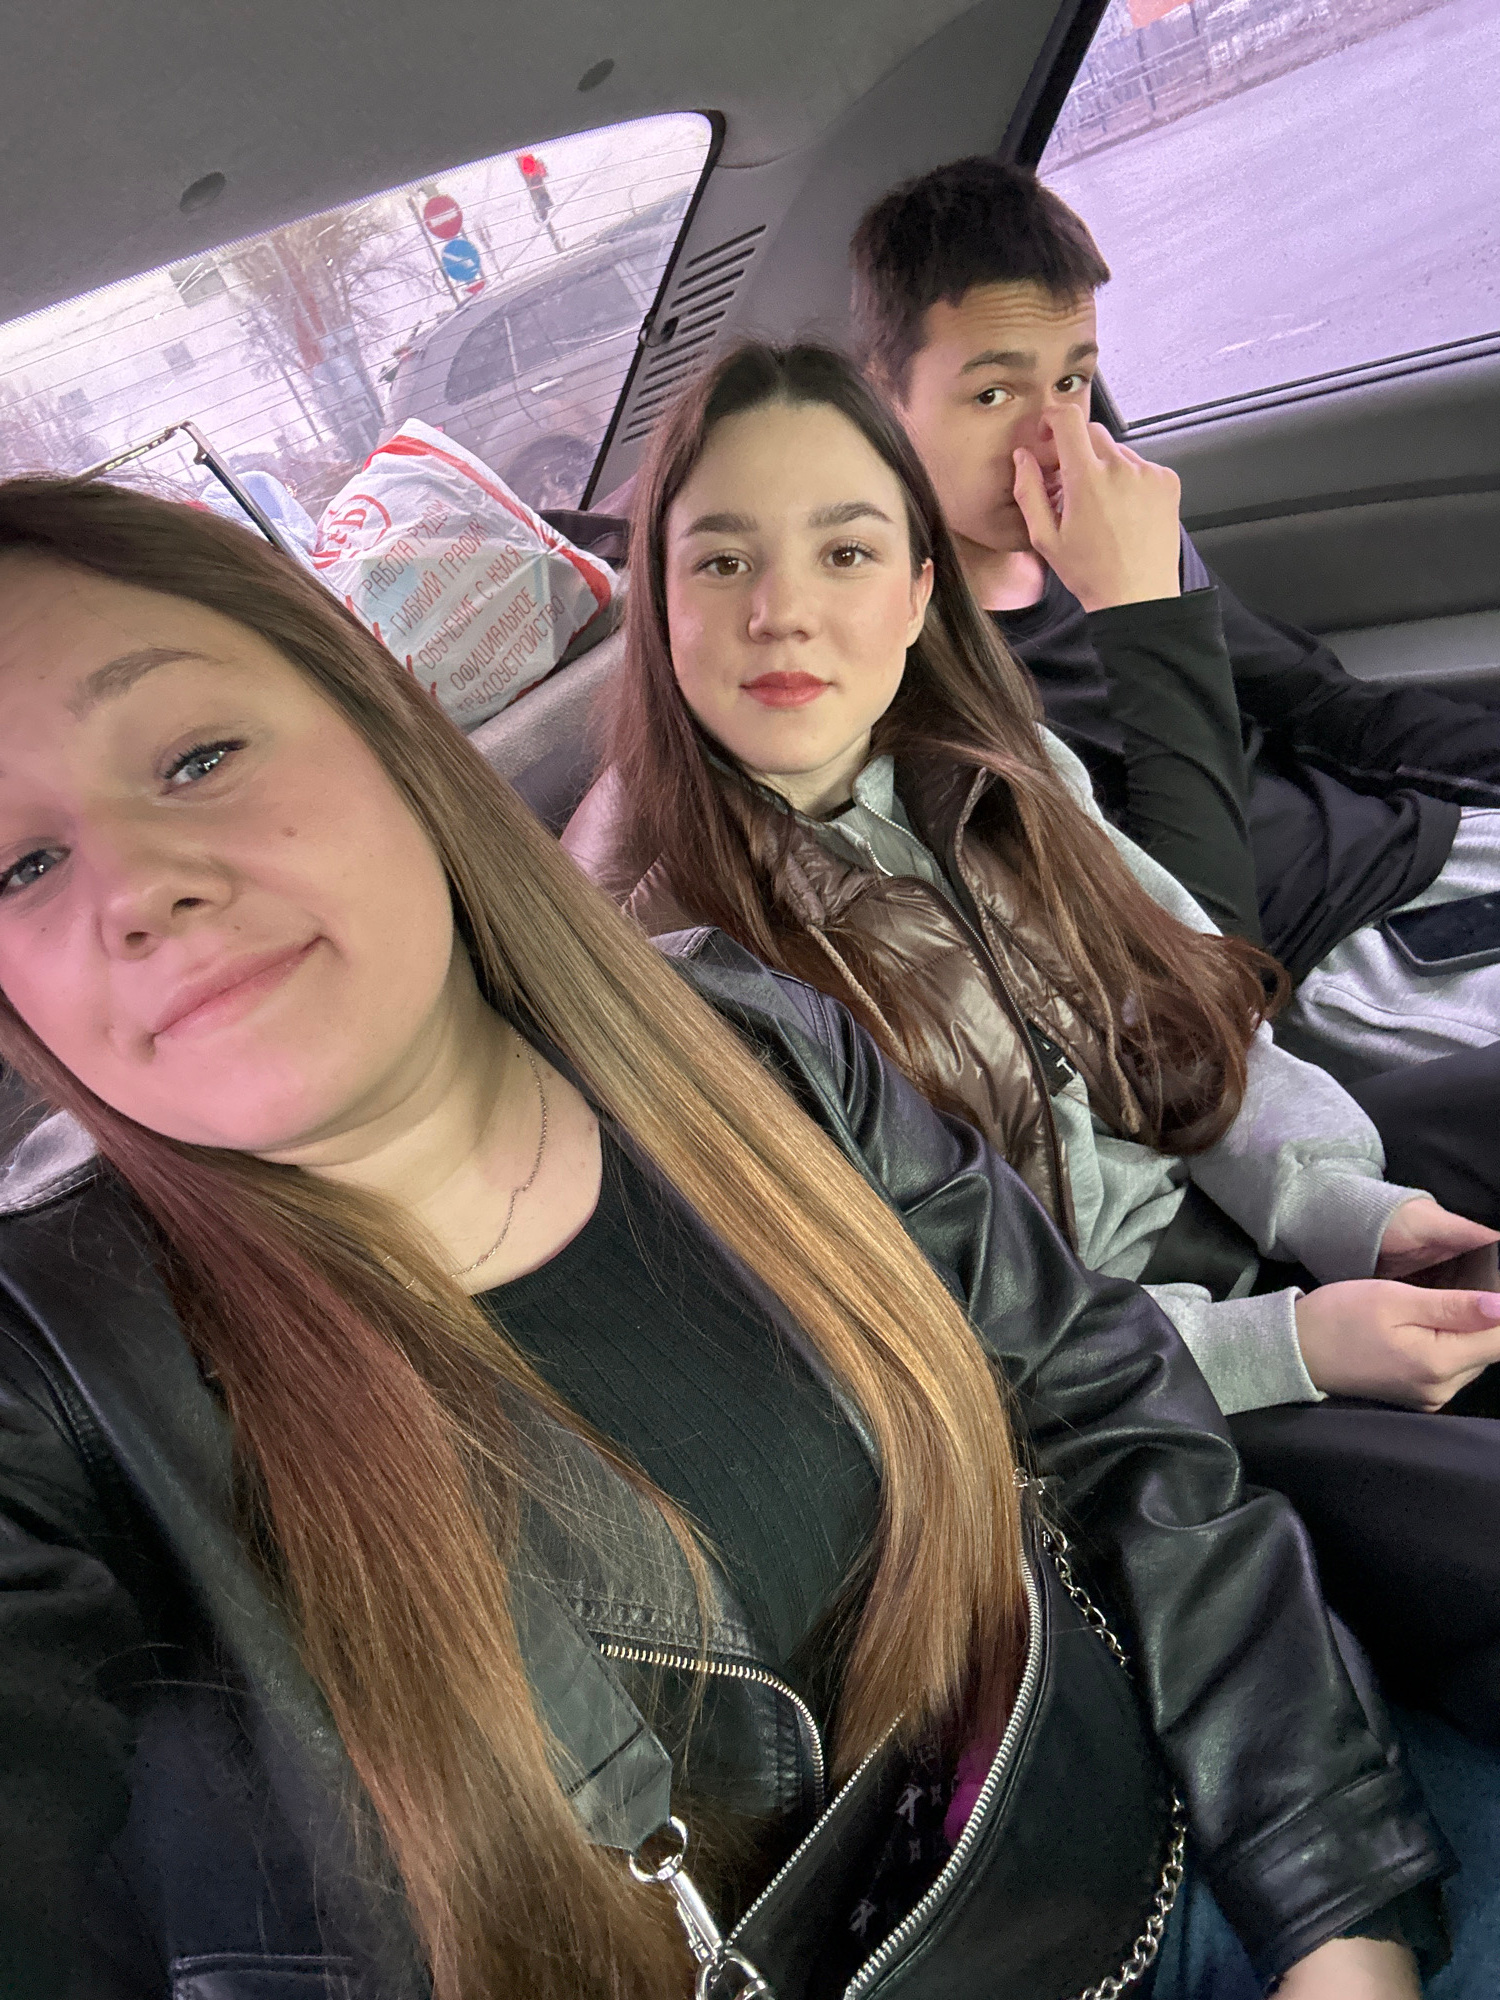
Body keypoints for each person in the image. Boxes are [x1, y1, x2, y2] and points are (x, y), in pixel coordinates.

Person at [0, 475, 1460, 2000]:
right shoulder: (61, 1387)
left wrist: (1335, 1909)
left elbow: (1104, 1410)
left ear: (385, 726)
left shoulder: (754, 1037)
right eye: (19, 865)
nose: (138, 892)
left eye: (198, 756)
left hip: (1201, 1847)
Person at [561, 338, 1500, 1753]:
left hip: (1223, 1216)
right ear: (660, 604)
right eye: (723, 561)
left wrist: (1341, 1207)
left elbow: (1193, 1013)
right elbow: (934, 1359)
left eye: (845, 552)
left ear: (917, 588)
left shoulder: (1008, 774)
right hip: (1096, 1412)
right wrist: (1292, 1342)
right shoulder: (682, 973)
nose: (782, 612)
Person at [846, 155, 1500, 1099]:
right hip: (1345, 961)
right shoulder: (913, 672)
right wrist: (1139, 615)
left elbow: (1321, 705)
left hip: (1433, 843)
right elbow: (1205, 973)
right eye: (992, 395)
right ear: (884, 394)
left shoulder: (1111, 525)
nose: (1055, 441)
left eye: (1072, 381)